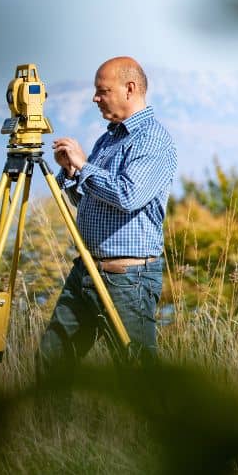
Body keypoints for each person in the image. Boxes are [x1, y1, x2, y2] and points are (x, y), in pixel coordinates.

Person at [39, 56, 177, 369]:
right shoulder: (108, 138)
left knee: (135, 371)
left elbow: (128, 196)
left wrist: (85, 166)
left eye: (103, 91)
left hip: (127, 279)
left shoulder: (152, 139)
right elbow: (91, 199)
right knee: (53, 361)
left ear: (130, 89)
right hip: (86, 270)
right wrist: (73, 174)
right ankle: (54, 420)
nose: (95, 98)